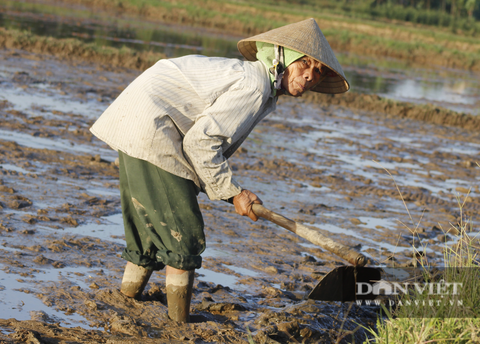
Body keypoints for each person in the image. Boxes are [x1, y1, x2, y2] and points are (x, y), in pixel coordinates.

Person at [90, 18, 349, 322]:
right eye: (304, 65)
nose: (309, 77)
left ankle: (127, 301)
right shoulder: (253, 86)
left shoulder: (257, 85)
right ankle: (179, 326)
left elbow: (200, 144)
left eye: (318, 73)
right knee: (183, 234)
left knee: (151, 226)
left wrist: (231, 193)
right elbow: (201, 143)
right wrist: (234, 192)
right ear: (282, 59)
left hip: (141, 120)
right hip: (154, 127)